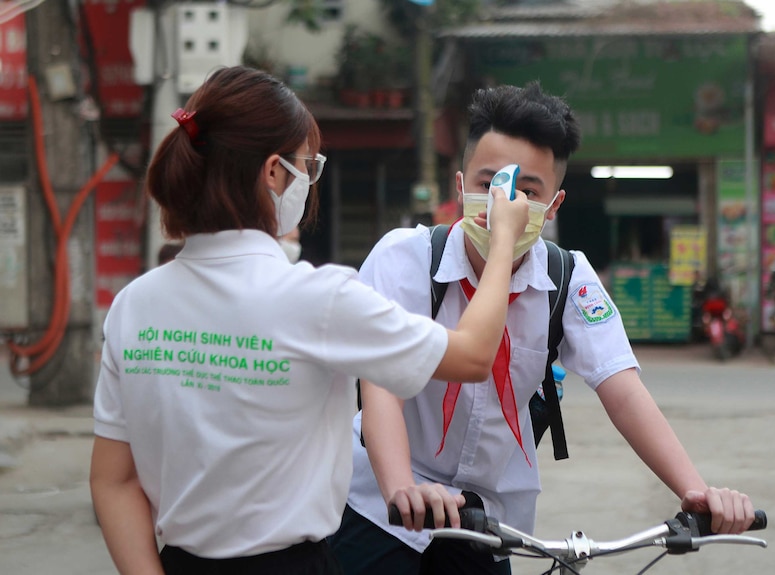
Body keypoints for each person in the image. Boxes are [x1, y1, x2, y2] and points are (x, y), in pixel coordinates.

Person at [88, 66, 530, 575]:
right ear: (274, 172)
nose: (309, 179)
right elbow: (473, 355)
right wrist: (502, 244)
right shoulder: (319, 299)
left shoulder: (135, 304)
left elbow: (113, 481)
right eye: (309, 165)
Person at [330, 82, 756, 575]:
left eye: (527, 191)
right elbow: (380, 384)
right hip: (381, 509)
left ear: (553, 206)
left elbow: (622, 389)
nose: (504, 203)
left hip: (487, 524)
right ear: (460, 187)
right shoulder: (404, 256)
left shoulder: (567, 277)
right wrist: (401, 487)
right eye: (490, 183)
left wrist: (694, 491)